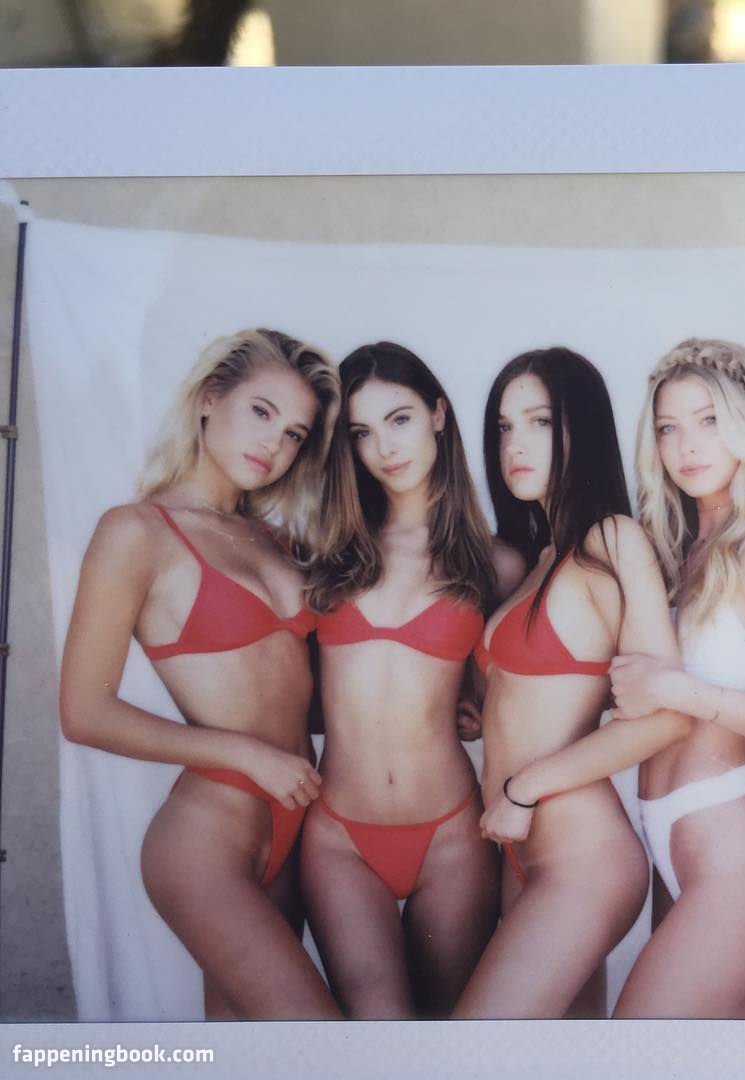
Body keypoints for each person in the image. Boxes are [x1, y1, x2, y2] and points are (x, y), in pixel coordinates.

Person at [478, 339, 745, 1018]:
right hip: (667, 842)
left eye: (708, 421)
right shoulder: (674, 548)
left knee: (636, 1051)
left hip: (736, 855)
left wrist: (685, 693)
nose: (687, 446)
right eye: (669, 427)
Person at [59, 328, 342, 1020]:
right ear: (211, 398)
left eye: (295, 434)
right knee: (319, 1047)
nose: (274, 444)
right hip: (208, 838)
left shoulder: (275, 540)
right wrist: (244, 753)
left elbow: (285, 690)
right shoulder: (136, 532)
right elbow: (84, 712)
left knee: (246, 1056)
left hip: (294, 823)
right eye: (261, 412)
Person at [453, 346, 675, 1019]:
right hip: (520, 855)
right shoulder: (543, 555)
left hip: (582, 859)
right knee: (554, 1058)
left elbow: (667, 715)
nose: (514, 445)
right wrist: (481, 709)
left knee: (474, 1054)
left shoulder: (613, 540)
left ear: (582, 426)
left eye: (539, 422)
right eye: (504, 426)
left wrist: (524, 787)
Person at [302, 341, 518, 1018]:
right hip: (339, 837)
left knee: (448, 1037)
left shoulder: (495, 564)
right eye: (362, 432)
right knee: (378, 1040)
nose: (383, 448)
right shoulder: (327, 554)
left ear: (438, 415)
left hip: (451, 834)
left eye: (398, 419)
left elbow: (514, 689)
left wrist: (476, 706)